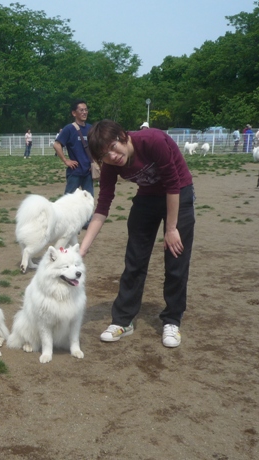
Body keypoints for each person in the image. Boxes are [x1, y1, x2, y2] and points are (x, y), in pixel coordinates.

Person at [80, 120, 195, 348]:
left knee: (176, 258)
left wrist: (171, 229)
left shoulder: (152, 140)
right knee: (134, 260)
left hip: (178, 193)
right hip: (148, 196)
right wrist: (81, 250)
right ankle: (123, 320)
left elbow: (172, 184)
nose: (112, 156)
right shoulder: (111, 165)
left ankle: (172, 319)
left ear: (123, 136)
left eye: (113, 146)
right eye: (105, 155)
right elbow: (102, 207)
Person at [53, 99, 94, 197]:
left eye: (86, 110)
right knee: (68, 200)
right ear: (74, 113)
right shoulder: (69, 129)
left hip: (88, 172)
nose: (84, 112)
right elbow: (56, 144)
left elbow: (96, 147)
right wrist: (66, 160)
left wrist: (95, 162)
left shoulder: (91, 128)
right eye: (81, 110)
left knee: (89, 201)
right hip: (75, 171)